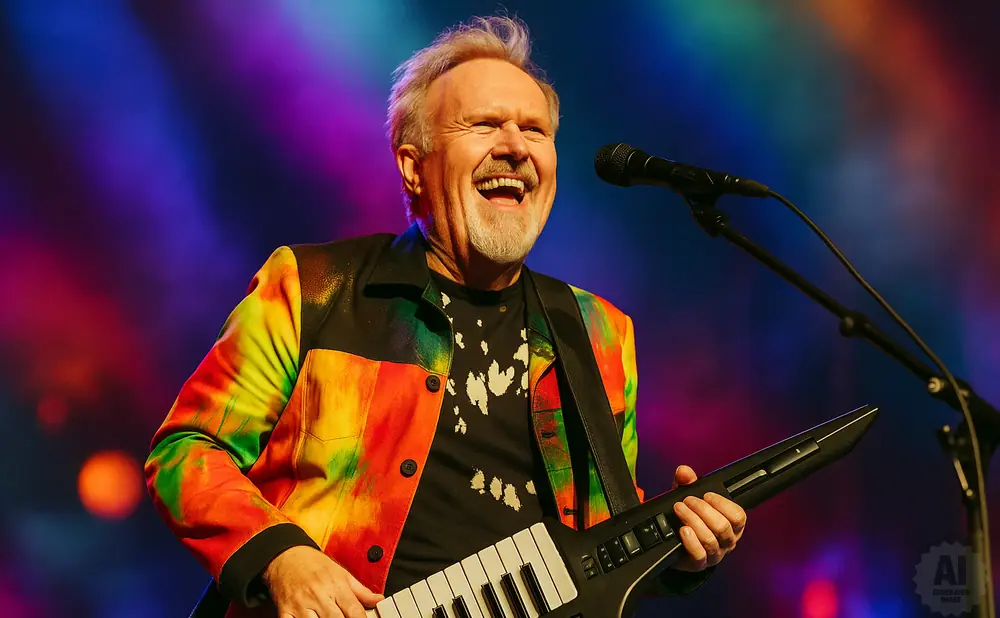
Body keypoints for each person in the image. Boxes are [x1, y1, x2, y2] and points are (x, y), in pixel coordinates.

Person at [145, 15, 747, 618]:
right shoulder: (314, 287)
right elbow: (187, 451)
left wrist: (679, 549)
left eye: (535, 130)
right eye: (485, 124)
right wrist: (280, 556)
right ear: (413, 166)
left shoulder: (597, 333)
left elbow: (600, 543)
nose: (515, 146)